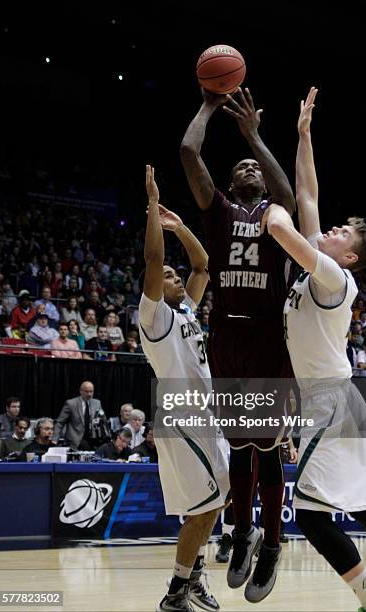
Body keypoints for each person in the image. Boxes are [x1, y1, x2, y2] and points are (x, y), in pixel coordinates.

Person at [264, 87, 366, 612]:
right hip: (335, 402)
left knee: (312, 515)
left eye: (341, 232)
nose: (331, 228)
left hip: (333, 404)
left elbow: (284, 225)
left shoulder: (332, 277)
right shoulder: (323, 270)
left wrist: (270, 212)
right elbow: (309, 197)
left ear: (349, 256)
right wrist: (303, 136)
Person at [181, 87, 296, 600]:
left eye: (257, 166)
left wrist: (254, 134)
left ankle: (271, 542)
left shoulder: (276, 215)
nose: (251, 169)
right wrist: (208, 105)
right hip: (227, 332)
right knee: (239, 446)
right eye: (243, 165)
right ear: (230, 181)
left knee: (267, 447)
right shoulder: (220, 212)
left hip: (269, 336)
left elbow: (289, 195)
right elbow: (188, 153)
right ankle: (242, 530)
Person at [139, 166, 229, 612]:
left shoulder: (187, 310)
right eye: (168, 278)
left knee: (211, 501)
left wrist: (180, 226)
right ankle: (177, 591)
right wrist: (154, 208)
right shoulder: (153, 318)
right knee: (208, 502)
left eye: (176, 278)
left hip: (204, 415)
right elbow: (155, 261)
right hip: (181, 413)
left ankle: (193, 579)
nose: (175, 276)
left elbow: (203, 264)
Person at [52, 381, 109, 450]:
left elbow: (103, 421)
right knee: (85, 446)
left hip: (93, 438)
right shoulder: (71, 404)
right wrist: (54, 439)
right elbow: (60, 422)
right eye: (86, 391)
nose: (89, 394)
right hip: (76, 438)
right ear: (81, 391)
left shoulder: (97, 403)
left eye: (91, 391)